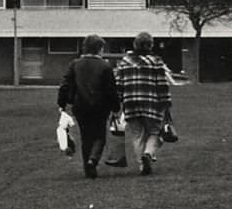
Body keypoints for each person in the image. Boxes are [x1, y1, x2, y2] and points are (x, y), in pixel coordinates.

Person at [56, 35, 121, 179]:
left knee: (86, 137)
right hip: (100, 106)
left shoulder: (75, 64)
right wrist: (116, 107)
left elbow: (65, 85)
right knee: (100, 136)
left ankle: (88, 167)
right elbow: (111, 90)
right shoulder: (105, 66)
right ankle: (94, 160)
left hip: (80, 105)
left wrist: (62, 103)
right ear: (100, 49)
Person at [114, 31, 174, 176]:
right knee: (155, 132)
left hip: (131, 104)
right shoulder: (156, 61)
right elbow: (162, 85)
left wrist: (118, 104)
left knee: (137, 135)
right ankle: (148, 154)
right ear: (151, 45)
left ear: (135, 44)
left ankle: (142, 166)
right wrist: (166, 103)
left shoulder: (124, 62)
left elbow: (118, 85)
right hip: (152, 103)